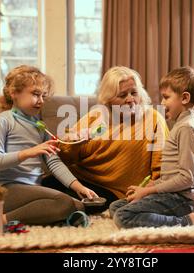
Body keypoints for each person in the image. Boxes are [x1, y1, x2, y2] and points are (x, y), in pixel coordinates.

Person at [44, 66, 169, 213]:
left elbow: (162, 165)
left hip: (114, 192)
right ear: (108, 100)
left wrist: (148, 192)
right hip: (78, 180)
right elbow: (65, 158)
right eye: (122, 95)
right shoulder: (96, 116)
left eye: (134, 93)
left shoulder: (153, 119)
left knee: (63, 203)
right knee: (44, 186)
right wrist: (72, 142)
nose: (130, 99)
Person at [0, 65, 97, 225]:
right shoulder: (3, 121)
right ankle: (1, 220)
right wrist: (29, 152)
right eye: (35, 94)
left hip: (33, 189)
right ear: (14, 93)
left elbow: (53, 162)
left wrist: (79, 187)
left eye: (43, 96)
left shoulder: (39, 125)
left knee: (79, 204)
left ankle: (39, 215)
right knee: (63, 203)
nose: (41, 101)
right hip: (9, 190)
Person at [109, 66, 194, 228]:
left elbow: (186, 178)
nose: (162, 102)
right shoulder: (180, 126)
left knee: (123, 216)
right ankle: (170, 216)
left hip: (183, 200)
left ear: (184, 98)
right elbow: (173, 174)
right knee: (116, 207)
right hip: (172, 195)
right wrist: (151, 185)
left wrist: (148, 192)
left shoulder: (187, 128)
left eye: (166, 97)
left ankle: (187, 221)